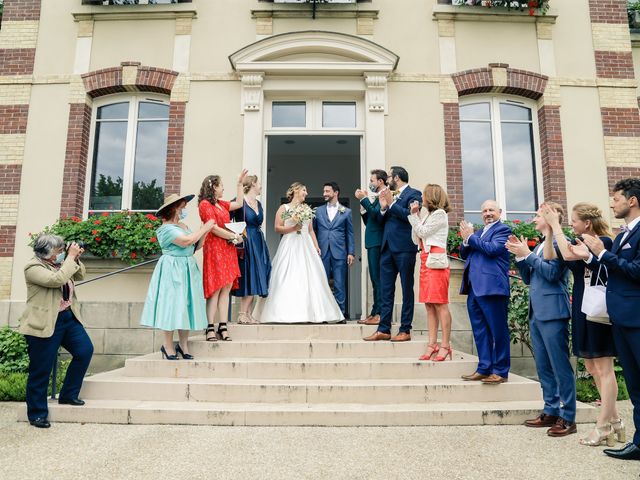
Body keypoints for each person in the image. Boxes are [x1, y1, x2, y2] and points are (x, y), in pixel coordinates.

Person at [540, 202, 620, 447]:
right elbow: (550, 255)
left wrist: (555, 224)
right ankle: (616, 420)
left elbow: (566, 254)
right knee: (591, 366)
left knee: (603, 367)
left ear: (587, 223)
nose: (571, 225)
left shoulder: (603, 242)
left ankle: (603, 425)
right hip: (582, 308)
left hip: (599, 309)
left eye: (574, 221)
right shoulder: (578, 243)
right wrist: (552, 231)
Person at [572, 178, 640, 460]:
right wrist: (593, 257)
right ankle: (639, 441)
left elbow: (635, 271)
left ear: (632, 200)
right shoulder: (624, 233)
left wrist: (600, 253)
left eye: (616, 198)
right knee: (635, 386)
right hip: (619, 318)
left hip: (636, 317)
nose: (612, 203)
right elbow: (610, 269)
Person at [506, 203, 576, 437]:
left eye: (538, 215)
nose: (534, 219)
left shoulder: (558, 241)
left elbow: (551, 273)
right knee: (544, 366)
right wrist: (521, 257)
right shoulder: (538, 246)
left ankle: (568, 416)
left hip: (553, 311)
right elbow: (528, 278)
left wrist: (527, 255)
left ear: (549, 218)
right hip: (536, 312)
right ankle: (550, 410)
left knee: (560, 366)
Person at [19, 234, 93, 428]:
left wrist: (75, 258)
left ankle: (68, 394)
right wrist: (69, 259)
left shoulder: (60, 264)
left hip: (68, 318)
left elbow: (79, 275)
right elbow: (56, 280)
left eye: (62, 251)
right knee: (40, 370)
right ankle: (36, 414)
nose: (61, 254)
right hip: (44, 323)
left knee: (84, 351)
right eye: (58, 251)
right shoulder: (33, 267)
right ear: (47, 252)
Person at [140, 194, 215, 360]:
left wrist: (205, 230)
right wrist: (203, 228)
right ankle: (167, 345)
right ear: (174, 208)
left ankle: (183, 344)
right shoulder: (165, 229)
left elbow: (195, 245)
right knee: (172, 304)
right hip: (172, 268)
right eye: (182, 207)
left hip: (188, 266)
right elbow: (186, 241)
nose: (184, 210)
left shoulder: (182, 225)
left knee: (186, 304)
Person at [259, 182, 344, 323]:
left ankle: (313, 313)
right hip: (290, 244)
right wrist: (293, 228)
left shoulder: (306, 209)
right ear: (296, 190)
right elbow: (277, 228)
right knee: (288, 274)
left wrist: (316, 246)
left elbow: (310, 230)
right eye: (304, 190)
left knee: (312, 276)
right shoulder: (283, 208)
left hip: (306, 245)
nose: (306, 193)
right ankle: (284, 313)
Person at [363, 166, 422, 342]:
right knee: (386, 290)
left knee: (406, 289)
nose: (387, 179)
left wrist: (392, 204)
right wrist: (382, 208)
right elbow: (381, 221)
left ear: (396, 178)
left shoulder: (414, 193)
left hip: (404, 248)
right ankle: (384, 329)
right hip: (386, 248)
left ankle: (405, 330)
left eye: (389, 176)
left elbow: (410, 217)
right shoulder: (388, 195)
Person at [458, 200, 512, 384]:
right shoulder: (480, 232)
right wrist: (467, 239)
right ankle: (484, 368)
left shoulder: (503, 230)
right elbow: (464, 254)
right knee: (480, 331)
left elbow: (492, 249)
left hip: (492, 288)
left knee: (498, 331)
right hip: (474, 288)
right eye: (484, 211)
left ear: (500, 212)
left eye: (491, 210)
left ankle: (501, 371)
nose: (487, 213)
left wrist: (471, 238)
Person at [199, 170, 248, 342]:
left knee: (226, 287)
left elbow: (240, 203)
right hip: (214, 248)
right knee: (216, 288)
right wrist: (233, 236)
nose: (223, 189)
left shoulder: (221, 204)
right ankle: (210, 327)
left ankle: (223, 326)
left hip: (227, 249)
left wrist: (240, 183)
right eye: (221, 185)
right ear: (213, 187)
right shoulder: (205, 204)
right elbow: (212, 228)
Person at [408, 184, 454, 362]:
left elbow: (423, 231)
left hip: (436, 262)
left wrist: (414, 216)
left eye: (424, 196)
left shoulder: (440, 214)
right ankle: (432, 343)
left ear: (431, 197)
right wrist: (418, 216)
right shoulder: (427, 216)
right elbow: (415, 238)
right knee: (429, 305)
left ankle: (445, 345)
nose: (421, 199)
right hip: (425, 260)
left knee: (440, 304)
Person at [231, 175, 272, 324]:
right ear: (253, 184)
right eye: (259, 183)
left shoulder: (259, 203)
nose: (261, 185)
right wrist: (233, 235)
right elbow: (226, 218)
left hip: (258, 241)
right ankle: (242, 314)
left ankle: (247, 314)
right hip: (246, 241)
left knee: (259, 273)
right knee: (249, 275)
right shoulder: (239, 202)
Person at [314, 181, 355, 319]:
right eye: (324, 191)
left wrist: (351, 252)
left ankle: (340, 314)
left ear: (335, 193)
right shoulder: (318, 211)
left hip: (340, 252)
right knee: (322, 284)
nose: (324, 194)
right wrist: (314, 248)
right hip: (322, 251)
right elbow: (313, 231)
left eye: (327, 191)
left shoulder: (346, 211)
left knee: (339, 284)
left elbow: (350, 233)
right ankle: (323, 314)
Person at [355, 169, 387, 325]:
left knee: (378, 278)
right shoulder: (375, 197)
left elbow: (378, 216)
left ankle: (379, 313)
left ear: (380, 181)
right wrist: (363, 208)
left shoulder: (385, 194)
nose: (371, 183)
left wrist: (364, 200)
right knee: (374, 279)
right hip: (372, 240)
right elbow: (370, 220)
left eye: (372, 180)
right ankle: (375, 311)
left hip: (378, 241)